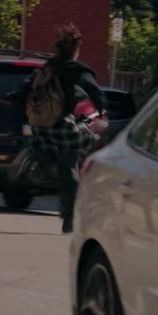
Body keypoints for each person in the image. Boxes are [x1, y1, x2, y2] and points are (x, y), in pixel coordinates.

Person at [20, 23, 108, 233]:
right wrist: (102, 116)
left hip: (40, 127)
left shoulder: (47, 68)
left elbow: (24, 89)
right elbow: (97, 94)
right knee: (85, 142)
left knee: (56, 152)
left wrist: (24, 117)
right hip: (63, 128)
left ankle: (40, 156)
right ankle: (69, 218)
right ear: (76, 48)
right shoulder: (75, 69)